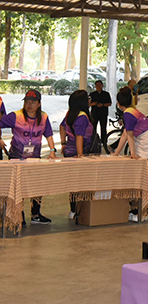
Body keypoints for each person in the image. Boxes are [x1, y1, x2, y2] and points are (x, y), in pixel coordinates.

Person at [0, 89, 56, 224]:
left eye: (33, 102)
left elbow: (48, 134)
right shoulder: (15, 116)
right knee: (18, 188)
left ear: (39, 104)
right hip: (16, 157)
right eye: (27, 102)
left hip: (35, 158)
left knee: (37, 186)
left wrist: (52, 150)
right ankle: (19, 215)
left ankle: (36, 214)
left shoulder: (43, 117)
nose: (29, 105)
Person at [113, 87, 148, 222]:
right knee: (137, 179)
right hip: (147, 145)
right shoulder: (132, 111)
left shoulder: (128, 114)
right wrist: (116, 153)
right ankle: (136, 209)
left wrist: (133, 154)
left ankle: (143, 211)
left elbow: (130, 136)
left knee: (144, 180)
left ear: (118, 103)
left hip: (147, 148)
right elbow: (125, 135)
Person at [60, 90, 94, 219]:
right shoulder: (82, 116)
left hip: (69, 151)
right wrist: (80, 155)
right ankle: (78, 210)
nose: (90, 100)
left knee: (72, 183)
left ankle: (73, 210)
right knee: (80, 183)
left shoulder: (70, 113)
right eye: (88, 98)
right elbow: (79, 137)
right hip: (78, 153)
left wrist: (63, 143)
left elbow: (62, 127)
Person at [89, 79, 112, 150]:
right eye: (97, 85)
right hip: (94, 113)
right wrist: (93, 104)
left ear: (102, 86)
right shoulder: (92, 94)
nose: (98, 86)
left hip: (103, 113)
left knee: (103, 128)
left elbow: (110, 103)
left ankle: (104, 141)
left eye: (100, 85)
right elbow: (88, 104)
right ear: (95, 86)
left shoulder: (106, 94)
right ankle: (93, 140)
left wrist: (103, 105)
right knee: (93, 128)